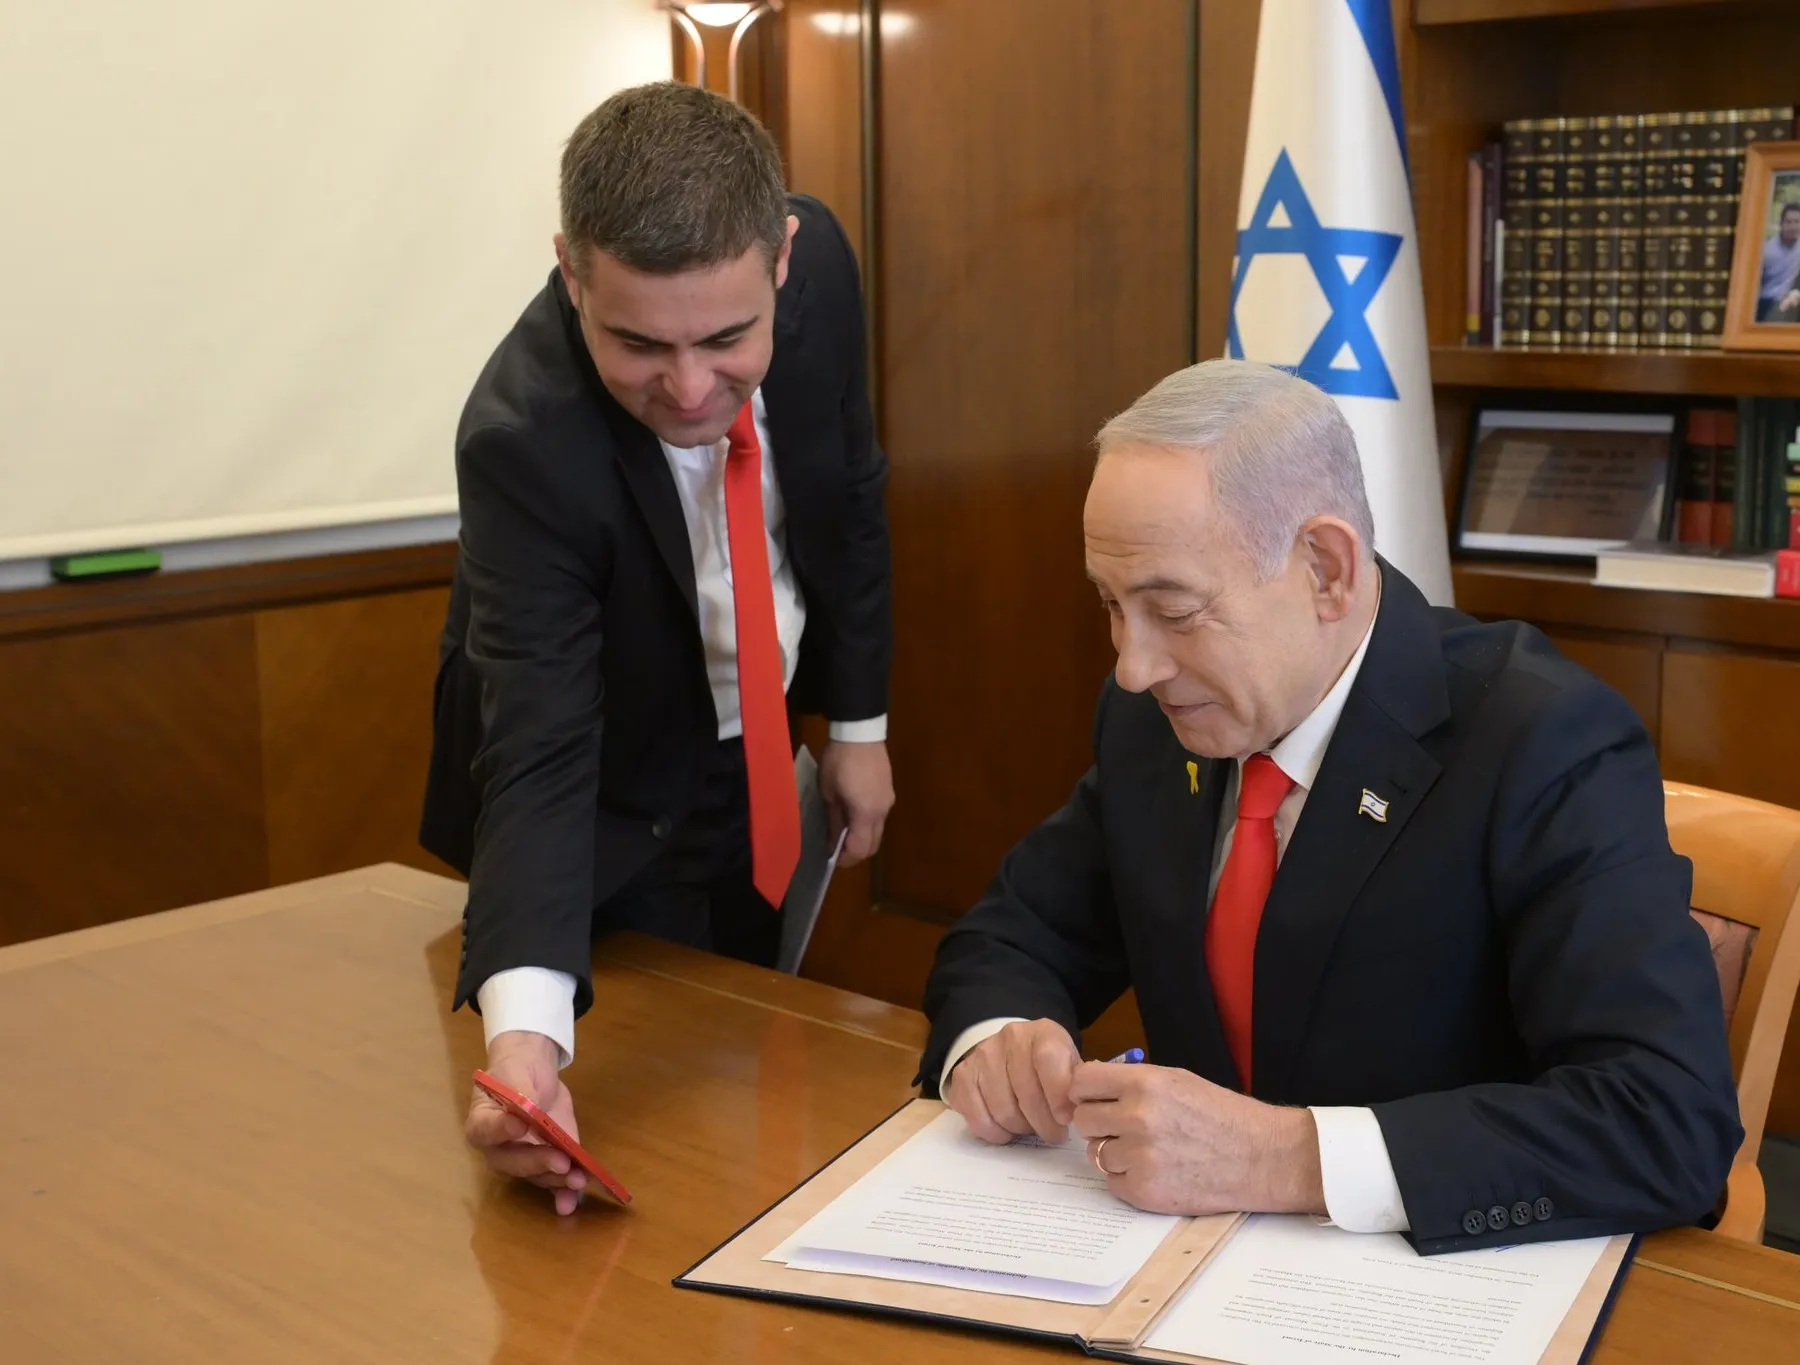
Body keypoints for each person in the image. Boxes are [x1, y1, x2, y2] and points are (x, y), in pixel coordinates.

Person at [919, 360, 1741, 1254]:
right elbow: (1010, 936)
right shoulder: (1157, 717)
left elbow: (1666, 1118)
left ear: (1326, 568)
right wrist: (999, 1044)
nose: (1133, 664)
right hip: (1174, 1272)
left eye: (1175, 610)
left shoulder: (1541, 741)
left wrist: (1285, 1157)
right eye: (1112, 606)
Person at [420, 83, 894, 1214]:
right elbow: (536, 748)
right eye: (637, 343)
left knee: (762, 1059)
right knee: (670, 1119)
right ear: (571, 272)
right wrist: (529, 1044)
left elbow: (850, 491)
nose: (688, 389)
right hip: (601, 788)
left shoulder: (820, 260)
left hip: (762, 746)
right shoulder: (522, 439)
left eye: (728, 340)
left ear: (781, 260)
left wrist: (861, 726)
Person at [1756, 201, 1800, 322]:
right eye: (1789, 222)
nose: (1793, 226)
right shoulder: (1766, 250)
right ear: (1781, 223)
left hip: (1792, 299)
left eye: (1797, 222)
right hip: (1768, 300)